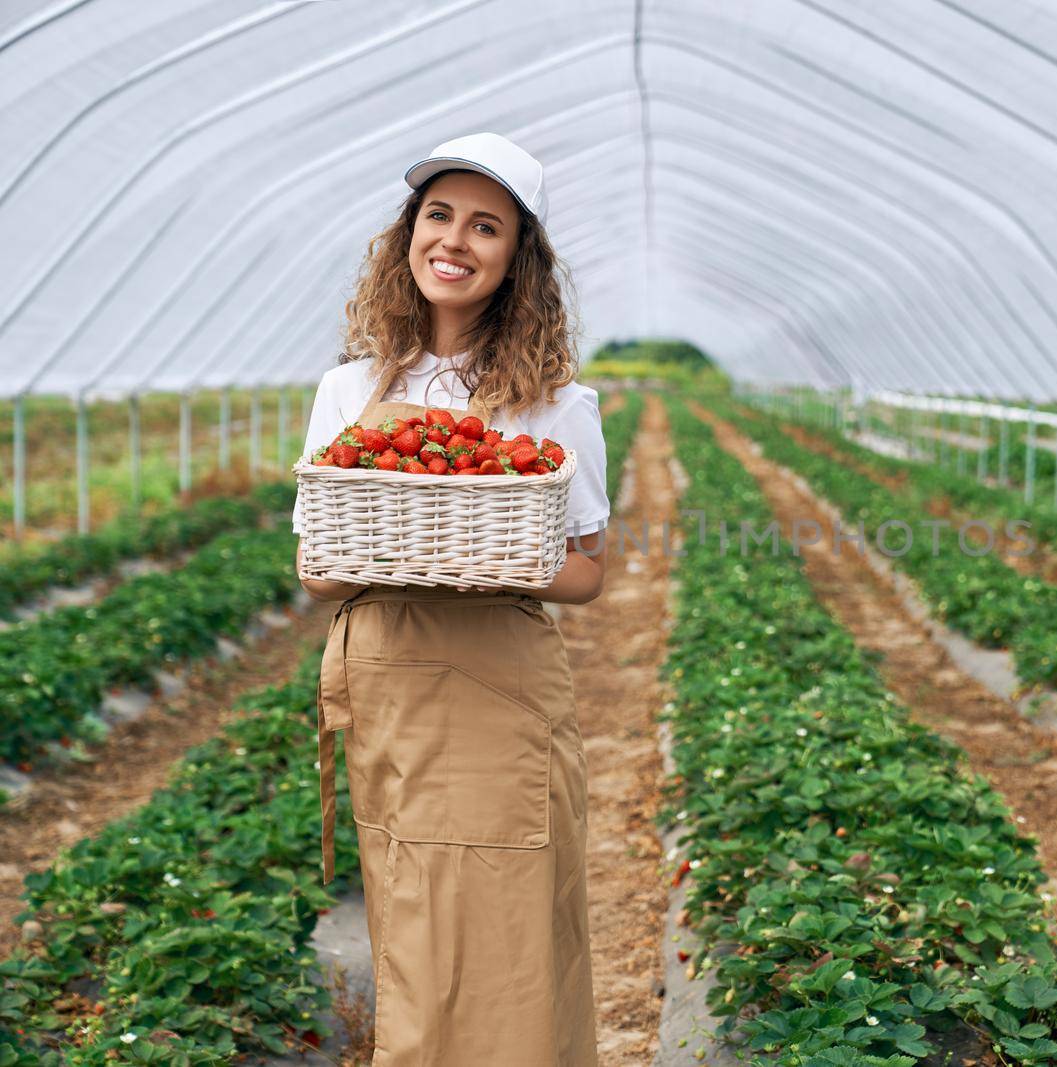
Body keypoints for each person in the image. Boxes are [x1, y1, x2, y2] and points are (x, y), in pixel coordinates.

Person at [292, 132, 605, 1065]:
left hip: (500, 689)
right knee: (416, 927)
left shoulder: (553, 402)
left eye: (486, 225)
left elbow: (588, 569)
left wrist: (505, 564)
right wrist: (383, 546)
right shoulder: (351, 388)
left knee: (512, 932)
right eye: (439, 216)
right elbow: (319, 568)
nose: (455, 241)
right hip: (391, 683)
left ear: (518, 258)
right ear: (408, 235)